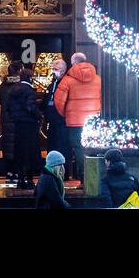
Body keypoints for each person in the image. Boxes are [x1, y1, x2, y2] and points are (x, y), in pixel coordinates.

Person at [53, 52, 102, 182]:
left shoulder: (67, 80)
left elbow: (58, 101)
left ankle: (82, 178)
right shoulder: (98, 79)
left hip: (75, 122)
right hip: (93, 120)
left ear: (73, 63)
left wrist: (67, 114)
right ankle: (93, 179)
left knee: (79, 148)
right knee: (92, 148)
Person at [2, 64, 43, 190]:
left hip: (18, 125)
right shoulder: (28, 91)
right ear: (29, 78)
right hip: (29, 126)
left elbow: (7, 107)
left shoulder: (12, 90)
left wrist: (15, 117)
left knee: (19, 152)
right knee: (29, 152)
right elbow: (31, 107)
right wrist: (39, 115)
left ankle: (20, 179)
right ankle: (29, 179)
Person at [0, 60, 24, 183]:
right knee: (17, 145)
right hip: (17, 118)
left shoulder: (3, 85)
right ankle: (16, 172)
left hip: (6, 118)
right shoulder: (20, 86)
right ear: (19, 71)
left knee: (7, 145)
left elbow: (1, 101)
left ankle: (8, 172)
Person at [43, 58, 71, 161]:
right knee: (52, 147)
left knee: (62, 147)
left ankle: (63, 172)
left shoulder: (66, 83)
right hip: (52, 121)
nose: (53, 71)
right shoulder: (53, 83)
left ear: (62, 70)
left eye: (55, 69)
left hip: (62, 122)